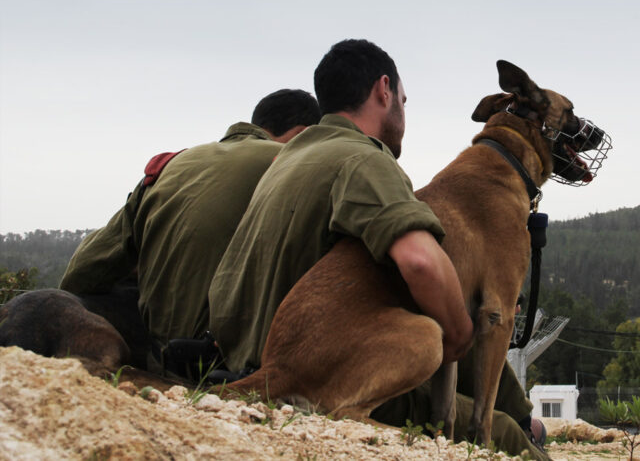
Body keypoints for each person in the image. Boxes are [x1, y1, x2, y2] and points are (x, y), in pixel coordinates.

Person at [208, 39, 546, 459]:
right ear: (384, 91)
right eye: (403, 99)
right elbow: (421, 263)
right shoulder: (366, 161)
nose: (404, 111)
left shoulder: (285, 160)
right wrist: (456, 336)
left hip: (270, 357)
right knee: (509, 432)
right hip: (323, 370)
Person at [60, 89, 321, 373]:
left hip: (155, 353)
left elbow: (83, 270)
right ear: (302, 134)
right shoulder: (293, 165)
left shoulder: (172, 165)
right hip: (229, 364)